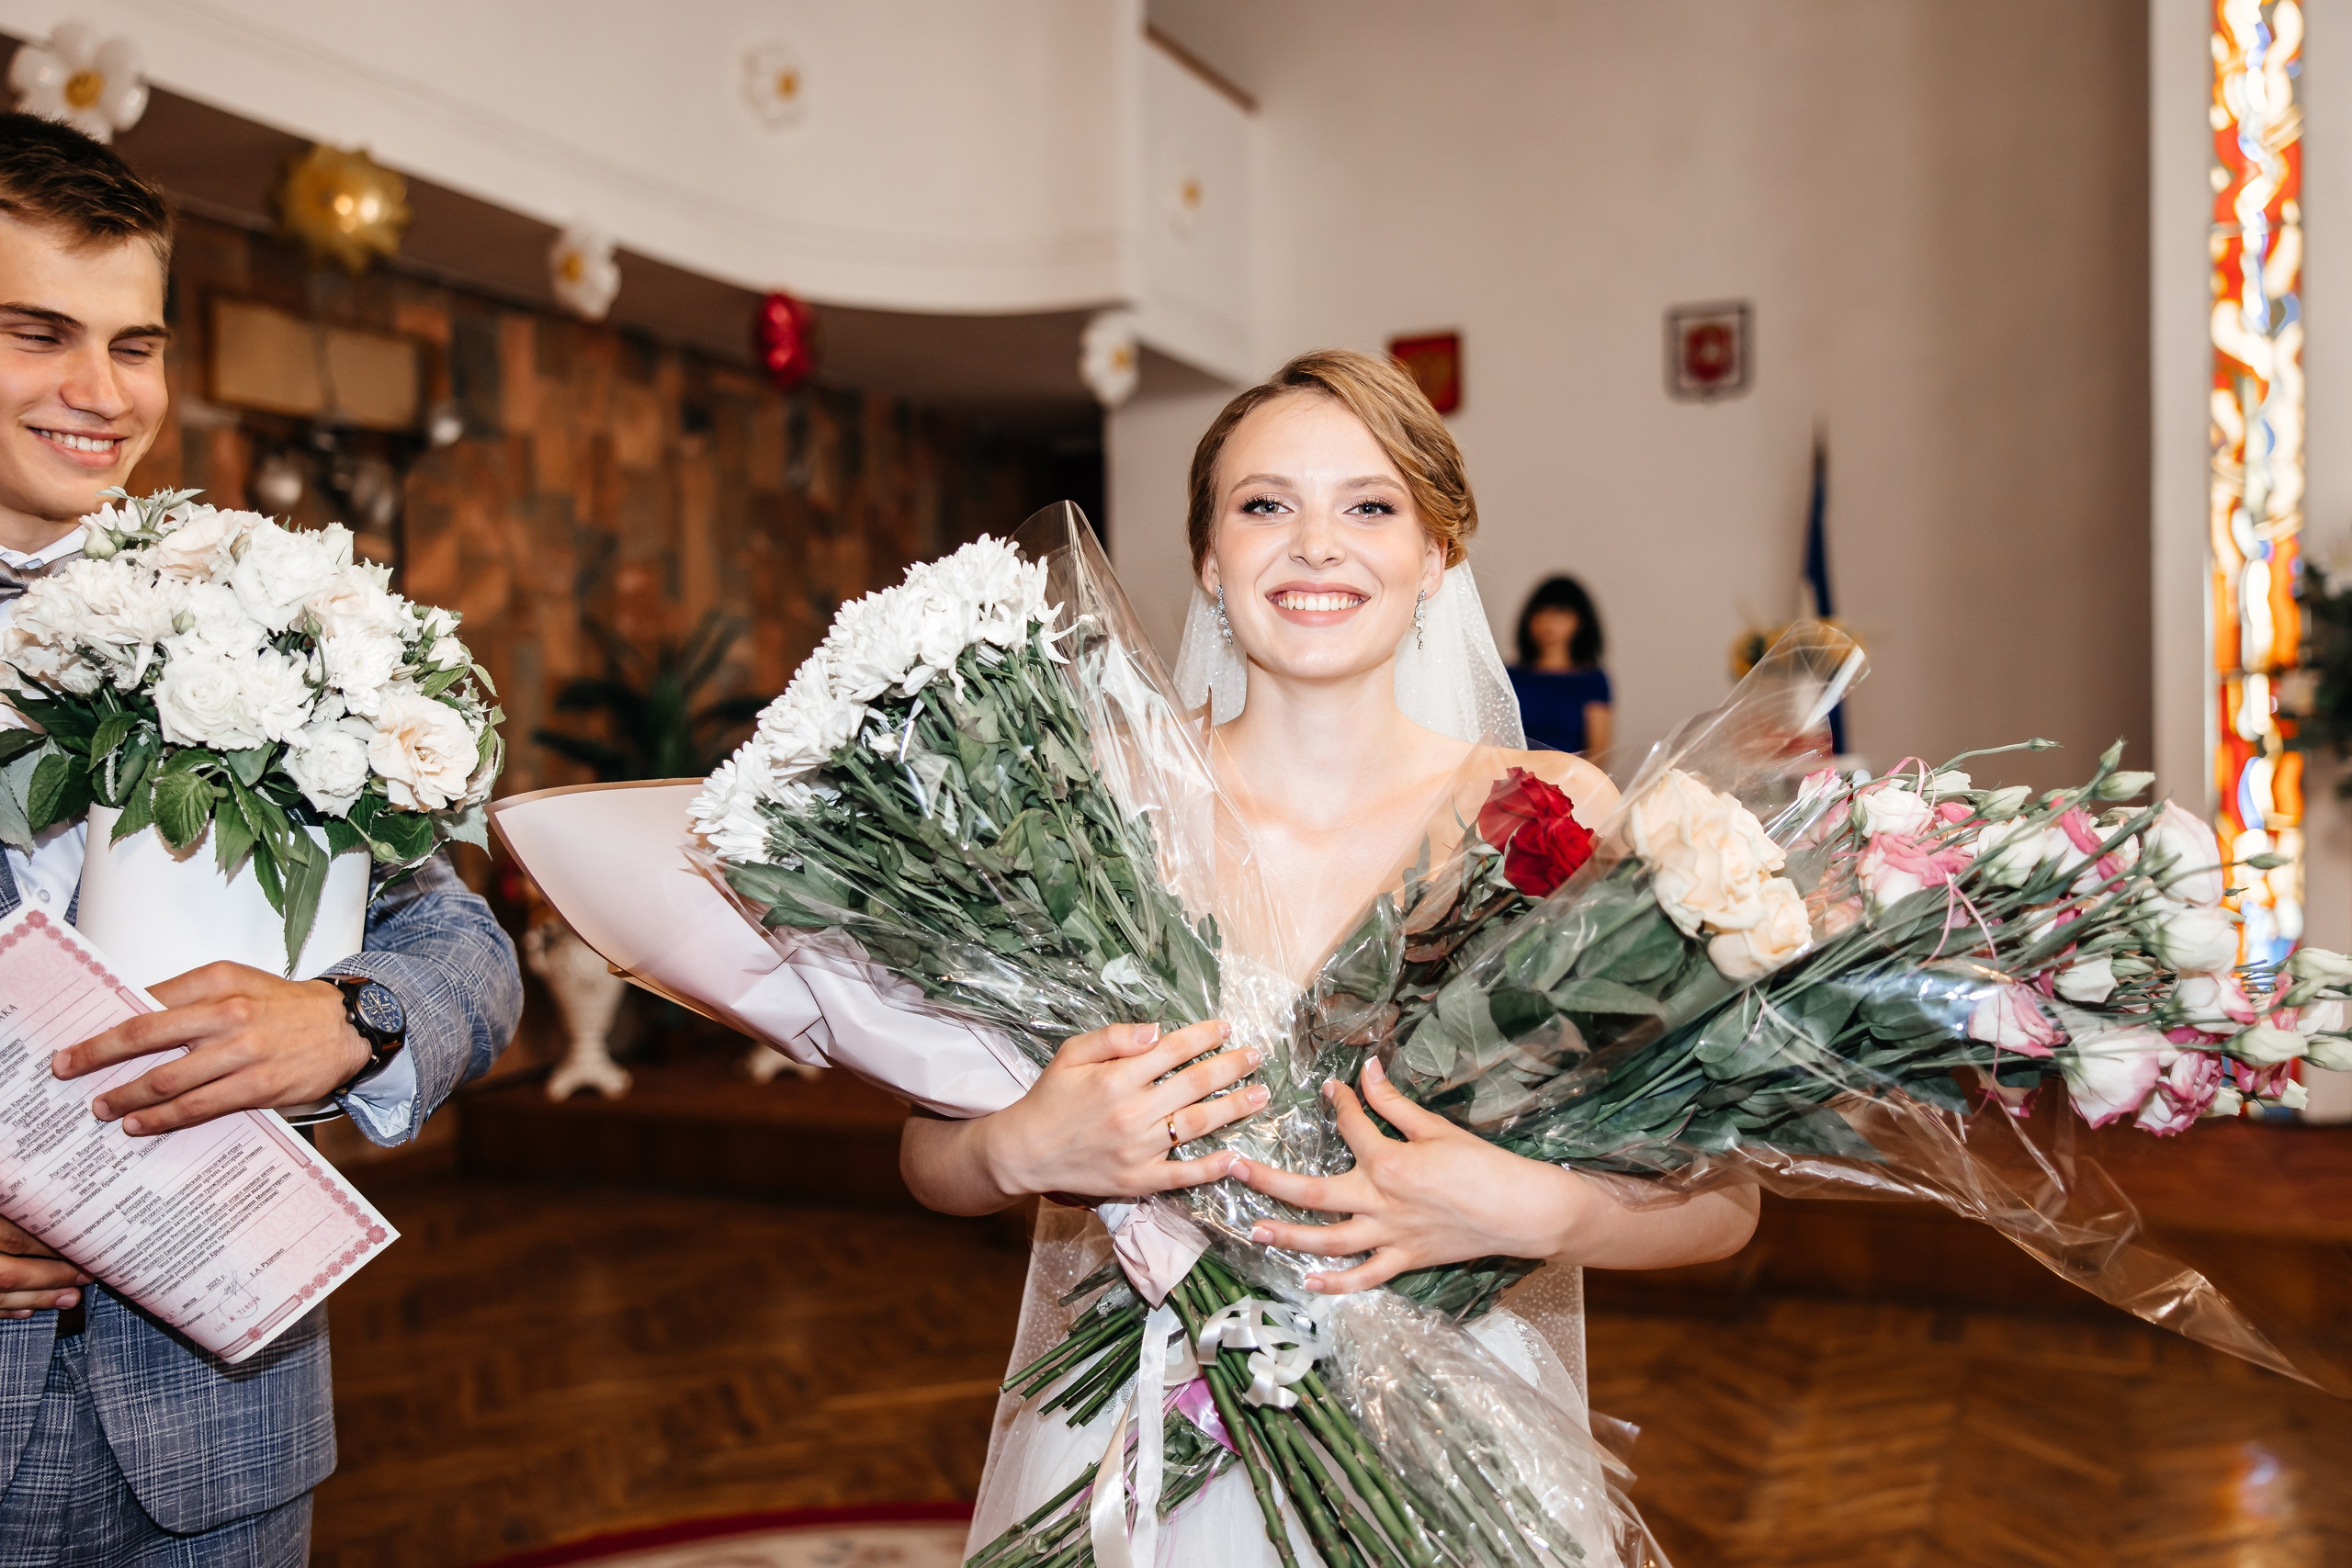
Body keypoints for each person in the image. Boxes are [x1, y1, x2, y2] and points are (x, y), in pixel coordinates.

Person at [900, 349, 1757, 1562]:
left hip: (1452, 1439)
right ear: (1208, 557)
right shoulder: (1093, 810)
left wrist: (1538, 1203)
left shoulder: (1546, 817)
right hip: (1145, 1433)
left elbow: (1725, 1201)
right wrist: (1016, 1143)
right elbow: (929, 1153)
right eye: (1266, 505)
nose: (1316, 544)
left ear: (1437, 555)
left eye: (1370, 504)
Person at [0, 113, 522, 1565]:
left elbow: (466, 946)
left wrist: (351, 1019)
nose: (97, 392)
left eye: (135, 342)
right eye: (37, 331)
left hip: (223, 1430)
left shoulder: (264, 619)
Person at [1507, 574, 1613, 759]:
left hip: (1570, 783)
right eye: (1542, 612)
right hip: (1513, 779)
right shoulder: (1509, 676)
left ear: (1580, 621)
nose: (1549, 622)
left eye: (1560, 613)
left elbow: (1599, 755)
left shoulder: (1592, 680)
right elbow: (1495, 741)